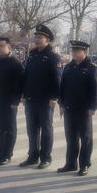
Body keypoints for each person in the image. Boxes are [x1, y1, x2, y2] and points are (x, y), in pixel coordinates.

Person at [20, 24, 61, 169]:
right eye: (36, 37)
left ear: (47, 40)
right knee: (32, 130)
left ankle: (45, 157)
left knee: (46, 129)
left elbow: (57, 79)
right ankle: (32, 156)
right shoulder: (32, 55)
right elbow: (27, 77)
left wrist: (54, 97)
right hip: (31, 99)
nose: (37, 39)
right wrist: (24, 95)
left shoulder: (53, 57)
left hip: (45, 100)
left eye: (40, 37)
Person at [58, 41, 97, 176]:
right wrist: (61, 104)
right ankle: (70, 164)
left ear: (85, 52)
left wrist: (93, 107)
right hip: (69, 108)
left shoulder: (92, 68)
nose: (74, 53)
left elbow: (96, 91)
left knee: (86, 139)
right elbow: (62, 87)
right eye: (73, 51)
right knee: (71, 138)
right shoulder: (68, 67)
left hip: (84, 110)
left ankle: (85, 164)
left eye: (77, 51)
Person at [0, 36, 24, 166]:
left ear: (9, 47)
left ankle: (7, 155)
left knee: (9, 129)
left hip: (9, 103)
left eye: (2, 46)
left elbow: (19, 85)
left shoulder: (15, 64)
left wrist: (15, 102)